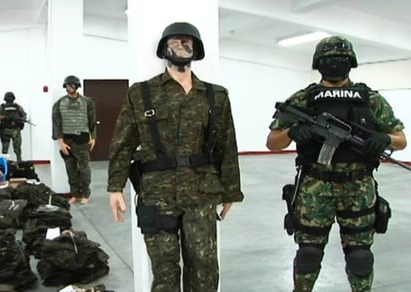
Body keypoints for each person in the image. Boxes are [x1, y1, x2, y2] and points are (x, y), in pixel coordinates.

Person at [108, 22, 244, 292]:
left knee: (204, 265)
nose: (181, 47)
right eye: (175, 42)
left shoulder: (215, 96)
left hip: (201, 192)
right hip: (157, 193)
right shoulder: (141, 93)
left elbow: (226, 145)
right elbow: (122, 142)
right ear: (164, 48)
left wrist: (231, 191)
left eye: (187, 43)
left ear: (197, 49)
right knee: (164, 268)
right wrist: (115, 186)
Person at [266, 36, 407, 292]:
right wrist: (293, 131)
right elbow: (273, 142)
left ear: (351, 63)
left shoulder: (370, 99)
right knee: (308, 253)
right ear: (318, 64)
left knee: (360, 257)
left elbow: (401, 140)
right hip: (314, 187)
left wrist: (383, 138)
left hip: (359, 188)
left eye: (340, 60)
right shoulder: (303, 99)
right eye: (329, 60)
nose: (334, 65)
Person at [52, 75, 96, 204]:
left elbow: (92, 121)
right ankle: (75, 194)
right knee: (70, 169)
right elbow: (56, 124)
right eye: (67, 85)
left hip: (82, 141)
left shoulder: (88, 102)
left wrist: (93, 138)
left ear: (77, 86)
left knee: (84, 169)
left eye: (71, 85)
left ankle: (85, 194)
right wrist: (61, 142)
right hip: (67, 141)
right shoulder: (59, 103)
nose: (69, 88)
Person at [0, 91, 27, 161]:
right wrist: (5, 117)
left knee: (14, 149)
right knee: (8, 149)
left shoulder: (3, 107)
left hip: (9, 130)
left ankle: (18, 162)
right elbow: (24, 116)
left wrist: (19, 120)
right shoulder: (17, 107)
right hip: (11, 130)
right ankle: (7, 163)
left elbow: (24, 117)